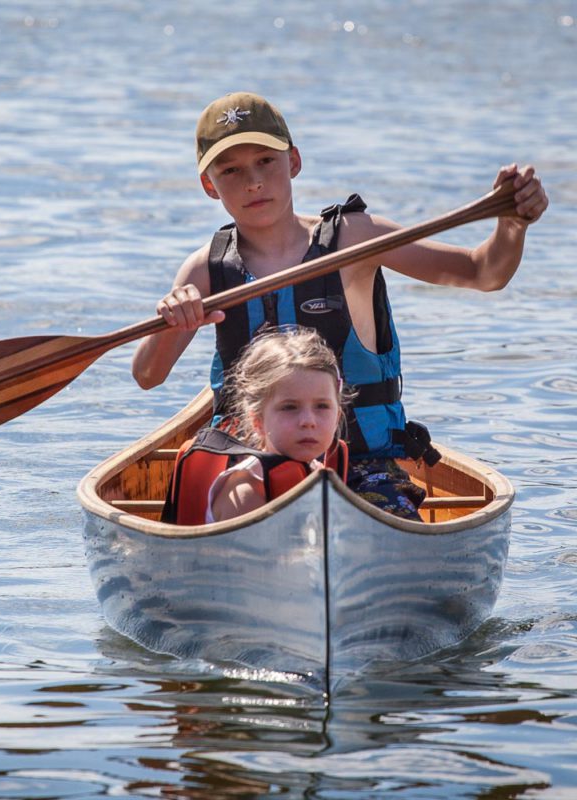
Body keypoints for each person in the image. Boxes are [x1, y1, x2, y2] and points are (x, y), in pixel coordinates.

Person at [131, 91, 549, 521]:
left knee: (381, 516)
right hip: (249, 458)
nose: (253, 182)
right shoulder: (204, 269)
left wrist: (512, 225)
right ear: (208, 185)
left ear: (293, 161)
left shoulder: (355, 239)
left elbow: (483, 272)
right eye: (231, 170)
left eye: (266, 162)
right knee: (239, 496)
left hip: (365, 464)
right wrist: (175, 322)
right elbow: (147, 375)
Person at [206, 327, 348, 523]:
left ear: (337, 417)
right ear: (258, 421)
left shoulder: (317, 473)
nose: (308, 421)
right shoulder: (246, 493)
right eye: (290, 407)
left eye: (322, 406)